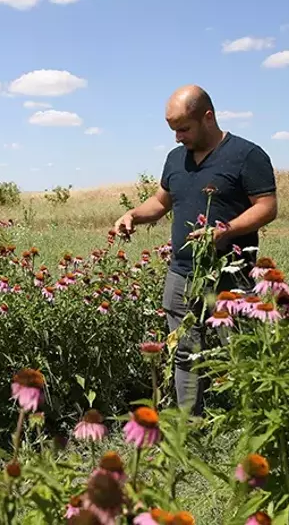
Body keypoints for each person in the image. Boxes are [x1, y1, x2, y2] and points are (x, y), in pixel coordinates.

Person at [114, 84, 278, 416]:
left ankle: (251, 418)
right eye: (173, 130)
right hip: (182, 274)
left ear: (208, 117)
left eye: (183, 129)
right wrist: (133, 215)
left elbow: (267, 206)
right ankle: (191, 424)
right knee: (186, 351)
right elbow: (161, 202)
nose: (177, 138)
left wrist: (226, 230)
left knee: (241, 348)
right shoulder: (176, 160)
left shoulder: (247, 155)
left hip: (232, 276)